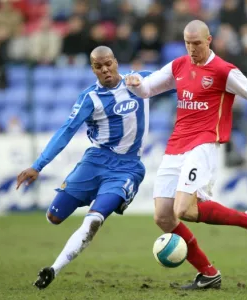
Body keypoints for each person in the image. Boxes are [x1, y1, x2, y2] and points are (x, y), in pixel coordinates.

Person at [125, 20, 247, 290]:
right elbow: (147, 89)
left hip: (204, 144)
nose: (192, 48)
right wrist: (136, 82)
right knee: (163, 216)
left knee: (183, 209)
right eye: (188, 43)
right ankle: (211, 272)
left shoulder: (224, 71)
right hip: (176, 145)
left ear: (209, 41)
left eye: (197, 43)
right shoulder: (178, 66)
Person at [16, 46, 152, 290]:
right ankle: (88, 195)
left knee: (93, 221)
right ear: (93, 69)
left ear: (116, 62)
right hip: (95, 162)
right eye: (99, 66)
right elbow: (65, 132)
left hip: (127, 168)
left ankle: (53, 270)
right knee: (54, 216)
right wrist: (38, 166)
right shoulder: (89, 98)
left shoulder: (139, 82)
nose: (105, 69)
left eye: (108, 63)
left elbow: (177, 78)